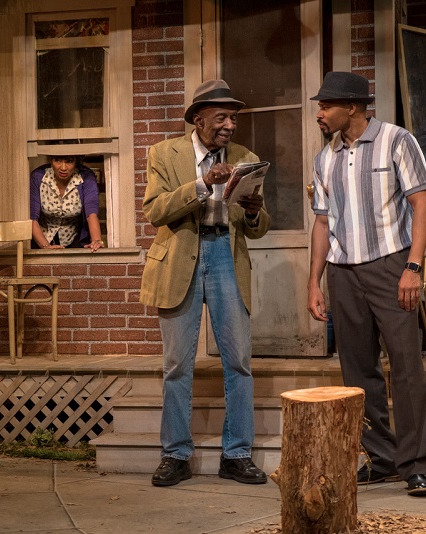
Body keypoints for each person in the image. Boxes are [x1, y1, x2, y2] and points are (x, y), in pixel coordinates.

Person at [306, 71, 426, 497]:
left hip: (391, 266)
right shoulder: (324, 158)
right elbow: (323, 222)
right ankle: (380, 460)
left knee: (406, 366)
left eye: (326, 107)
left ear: (354, 108)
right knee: (358, 372)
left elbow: (422, 203)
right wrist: (315, 282)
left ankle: (417, 465)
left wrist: (413, 267)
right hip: (344, 274)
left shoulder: (397, 141)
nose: (320, 114)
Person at [140, 79, 270, 487]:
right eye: (222, 117)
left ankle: (237, 454)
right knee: (178, 363)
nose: (230, 125)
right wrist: (202, 185)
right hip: (181, 258)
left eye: (233, 118)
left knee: (239, 362)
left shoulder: (246, 158)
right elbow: (155, 211)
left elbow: (258, 229)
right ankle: (175, 454)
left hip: (226, 257)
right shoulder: (164, 153)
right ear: (198, 119)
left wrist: (253, 211)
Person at [30, 155, 104, 252]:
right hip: (42, 237)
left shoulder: (86, 177)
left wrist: (96, 241)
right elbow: (32, 218)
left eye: (69, 161)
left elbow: (91, 213)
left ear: (76, 162)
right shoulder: (38, 176)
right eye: (57, 161)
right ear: (51, 161)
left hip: (73, 238)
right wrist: (46, 247)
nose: (63, 168)